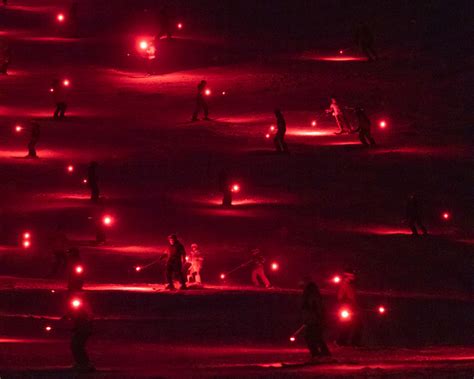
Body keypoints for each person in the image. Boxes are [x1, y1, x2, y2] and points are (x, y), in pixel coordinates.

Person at [63, 297, 94, 372]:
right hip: (81, 330)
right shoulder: (79, 310)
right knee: (76, 346)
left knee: (77, 346)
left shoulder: (84, 311)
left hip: (83, 330)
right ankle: (81, 363)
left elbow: (84, 320)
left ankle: (85, 363)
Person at [302, 281, 331, 358]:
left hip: (314, 321)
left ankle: (317, 353)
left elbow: (317, 309)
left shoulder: (312, 298)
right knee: (316, 337)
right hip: (313, 320)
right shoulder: (315, 297)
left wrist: (317, 318)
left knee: (312, 337)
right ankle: (321, 353)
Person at [336, 268, 362, 346]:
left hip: (353, 308)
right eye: (352, 275)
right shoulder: (344, 285)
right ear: (347, 276)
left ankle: (352, 342)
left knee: (356, 325)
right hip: (347, 309)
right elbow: (340, 297)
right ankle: (342, 342)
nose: (354, 277)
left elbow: (354, 297)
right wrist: (346, 305)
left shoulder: (352, 285)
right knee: (346, 325)